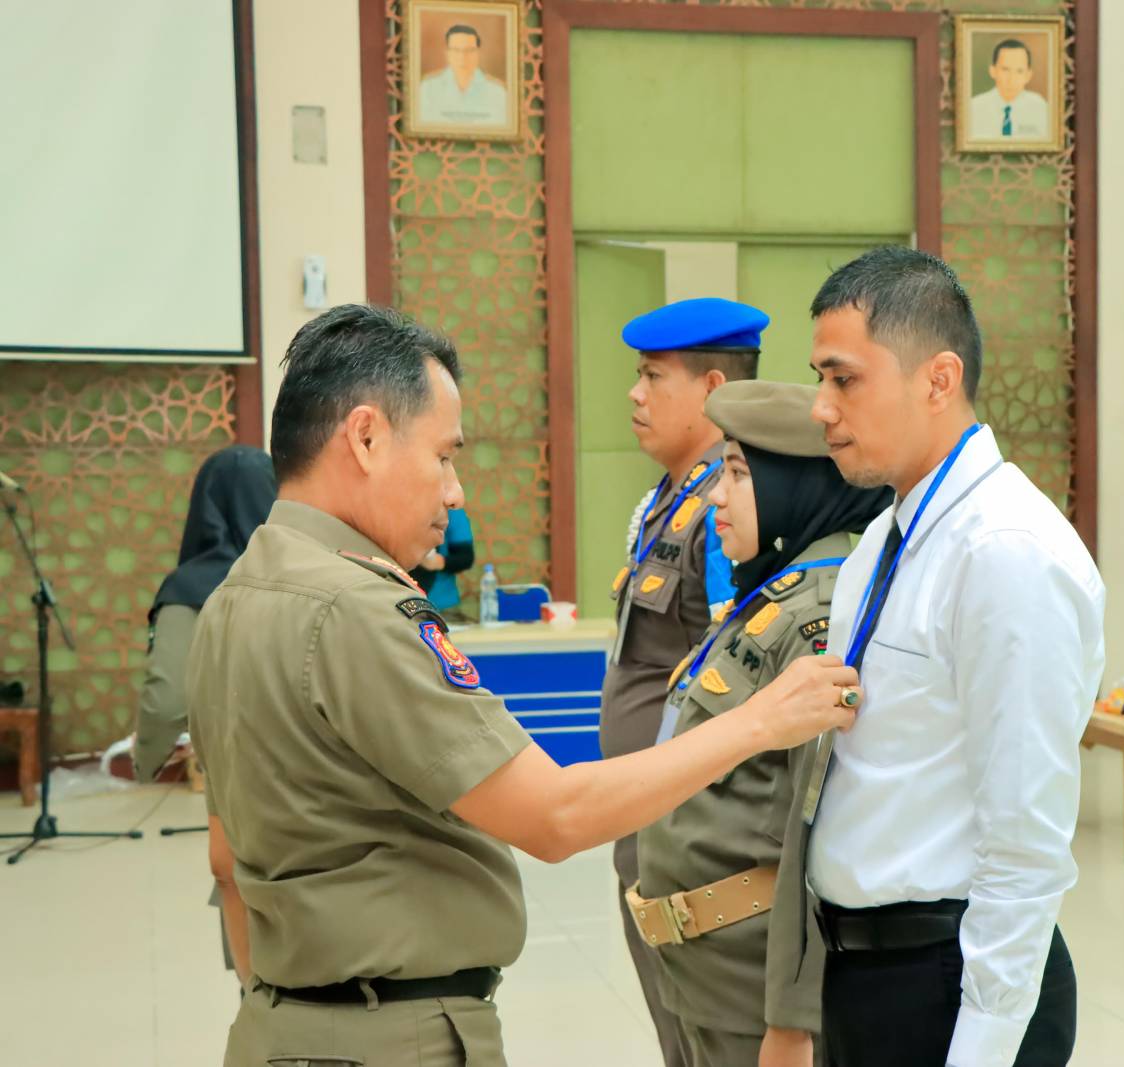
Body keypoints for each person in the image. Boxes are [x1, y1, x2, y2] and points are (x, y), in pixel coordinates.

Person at [188, 304, 859, 1066]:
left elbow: (225, 859)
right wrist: (762, 719)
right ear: (367, 437)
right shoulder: (355, 609)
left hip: (283, 1024)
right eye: (443, 456)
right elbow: (554, 816)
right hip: (389, 1035)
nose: (455, 492)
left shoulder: (232, 599)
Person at [786, 247, 1105, 1067]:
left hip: (951, 980)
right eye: (819, 377)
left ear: (937, 379)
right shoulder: (887, 538)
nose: (820, 407)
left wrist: (986, 1042)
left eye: (843, 378)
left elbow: (1026, 838)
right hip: (867, 970)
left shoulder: (1004, 552)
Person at [633, 381, 892, 1067]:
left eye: (740, 475)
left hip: (751, 981)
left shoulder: (819, 613)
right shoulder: (771, 592)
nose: (717, 495)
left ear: (797, 485)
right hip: (709, 968)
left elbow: (818, 833)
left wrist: (792, 1017)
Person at [604, 296, 764, 1067]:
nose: (634, 394)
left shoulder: (721, 510)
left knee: (701, 1031)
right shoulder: (667, 499)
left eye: (651, 375)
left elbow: (729, 675)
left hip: (688, 828)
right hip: (648, 811)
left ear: (708, 389)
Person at [133, 445, 276, 783]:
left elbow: (166, 705)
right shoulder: (307, 574)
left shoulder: (185, 589)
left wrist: (144, 762)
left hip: (235, 777)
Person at [418, 23, 508, 127]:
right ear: (447, 53)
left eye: (469, 50)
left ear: (478, 53)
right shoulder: (428, 88)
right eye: (456, 50)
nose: (462, 57)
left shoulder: (497, 91)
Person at [967, 38, 1050, 141]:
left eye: (1019, 71)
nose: (1012, 79)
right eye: (1005, 69)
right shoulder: (973, 108)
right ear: (993, 71)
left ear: (1028, 75)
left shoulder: (1041, 109)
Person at [408, 506, 474, 621]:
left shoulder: (451, 510)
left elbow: (466, 557)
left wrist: (437, 562)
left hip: (441, 605)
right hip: (399, 603)